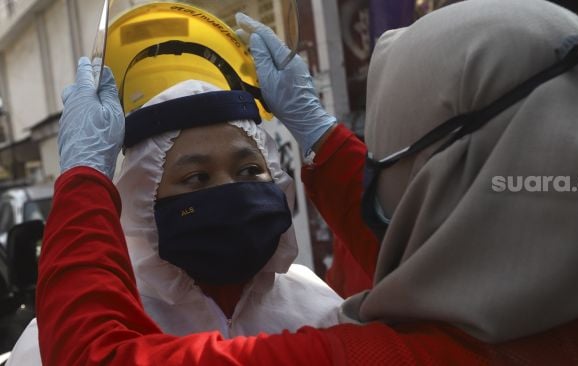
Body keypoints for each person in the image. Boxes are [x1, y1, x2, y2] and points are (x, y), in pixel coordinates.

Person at [37, 0, 578, 364]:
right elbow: (436, 257)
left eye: (394, 159)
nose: (381, 183)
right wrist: (324, 137)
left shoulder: (350, 333)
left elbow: (101, 355)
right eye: (194, 176)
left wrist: (85, 179)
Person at [7, 79, 342, 365]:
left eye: (250, 170)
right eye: (197, 177)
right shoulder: (56, 341)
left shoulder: (317, 305)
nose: (230, 188)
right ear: (143, 203)